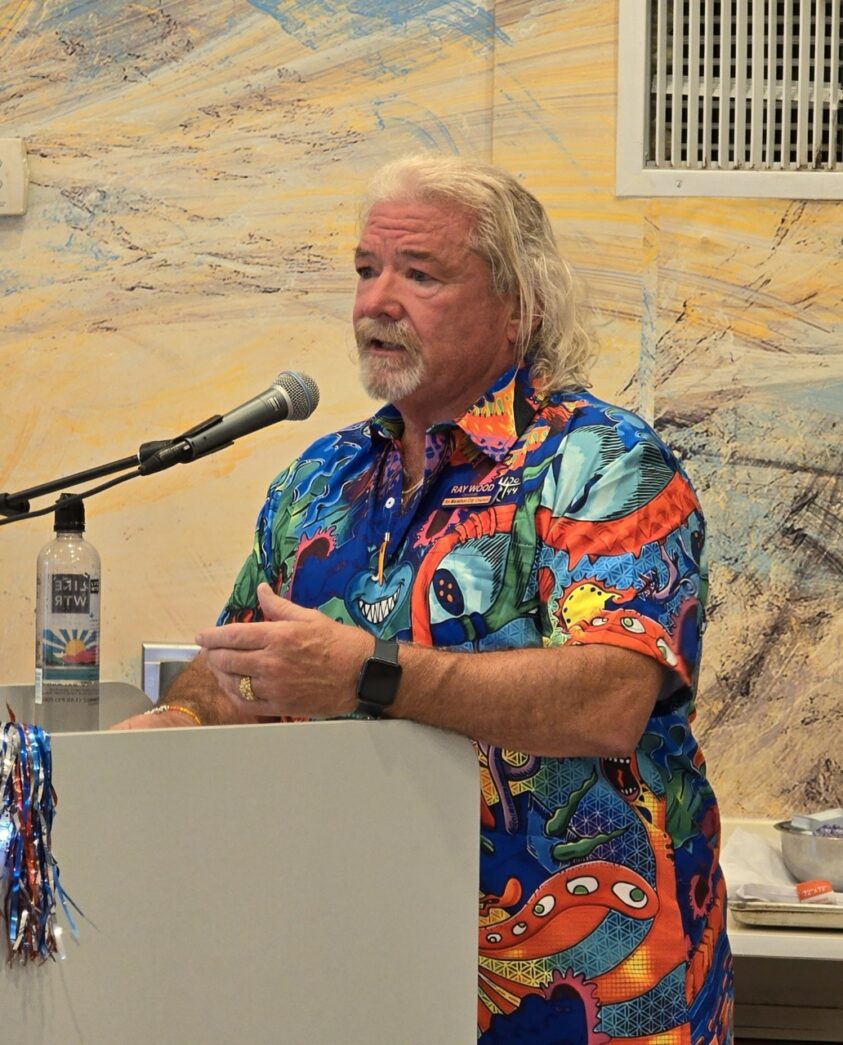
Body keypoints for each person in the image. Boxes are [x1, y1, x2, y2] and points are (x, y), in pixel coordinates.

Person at [117, 156, 733, 1042]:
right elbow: (246, 671)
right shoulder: (320, 479)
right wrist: (168, 729)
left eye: (420, 273)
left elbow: (610, 698)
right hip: (362, 968)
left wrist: (371, 675)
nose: (376, 301)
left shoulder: (601, 463)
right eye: (367, 270)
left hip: (593, 993)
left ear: (520, 305)